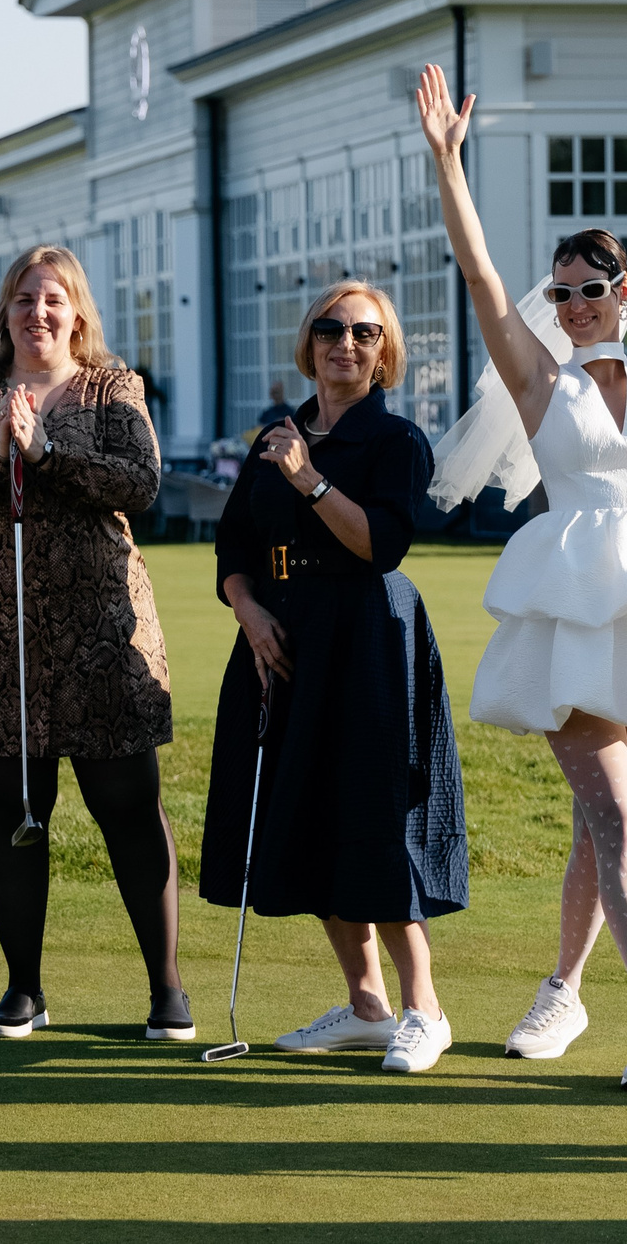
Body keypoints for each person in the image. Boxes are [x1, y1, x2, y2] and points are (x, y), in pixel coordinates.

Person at [417, 54, 627, 1092]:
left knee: (601, 832)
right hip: (565, 610)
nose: (574, 305)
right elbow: (474, 273)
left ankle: (561, 988)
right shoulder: (536, 379)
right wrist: (447, 164)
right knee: (615, 821)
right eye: (559, 294)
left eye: (590, 291)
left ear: (621, 291)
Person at [0, 245, 188, 1042]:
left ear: (77, 313)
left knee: (130, 805)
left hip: (102, 630)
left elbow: (139, 481)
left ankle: (166, 988)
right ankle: (23, 989)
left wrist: (47, 452)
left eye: (54, 300)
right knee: (14, 811)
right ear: (5, 311)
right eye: (24, 298)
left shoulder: (114, 387)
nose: (38, 312)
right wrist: (0, 449)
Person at [203, 280, 468, 1074]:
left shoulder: (395, 441)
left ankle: (425, 1008)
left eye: (362, 331)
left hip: (366, 643)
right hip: (281, 642)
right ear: (308, 341)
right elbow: (233, 550)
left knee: (370, 820)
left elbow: (380, 546)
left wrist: (309, 478)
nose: (343, 343)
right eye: (328, 328)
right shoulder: (273, 436)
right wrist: (248, 613)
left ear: (384, 351)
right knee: (307, 814)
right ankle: (366, 1007)